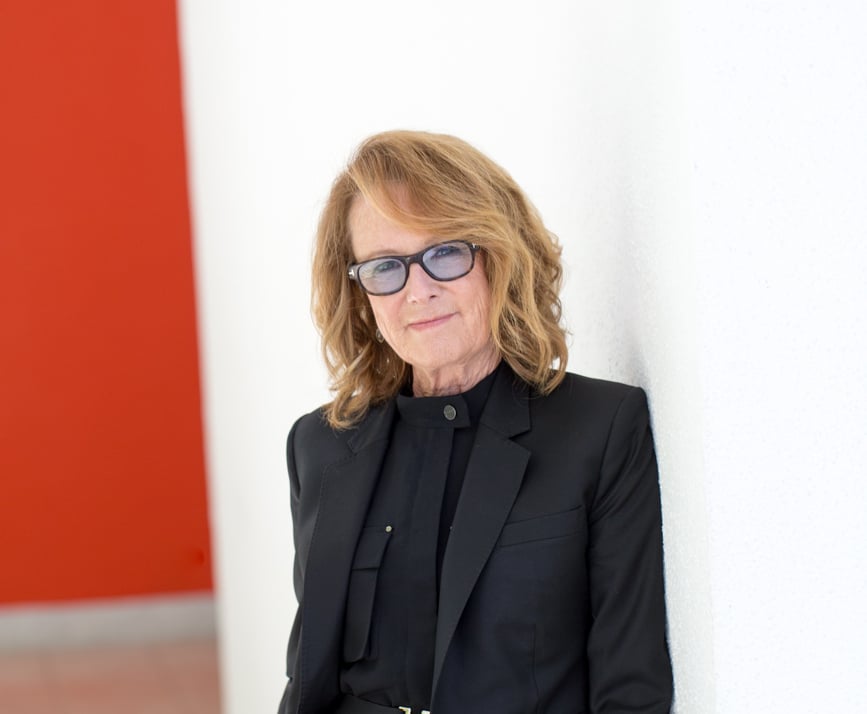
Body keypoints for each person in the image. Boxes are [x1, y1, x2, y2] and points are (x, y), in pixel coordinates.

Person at [279, 130, 673, 714]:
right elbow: (308, 679)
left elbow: (630, 688)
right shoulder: (321, 445)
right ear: (360, 292)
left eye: (444, 253)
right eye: (386, 268)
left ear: (499, 257)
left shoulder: (601, 430)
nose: (418, 292)